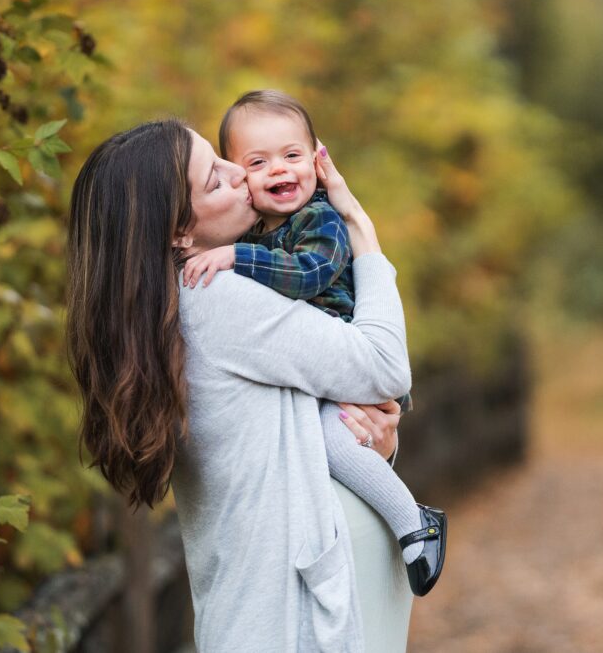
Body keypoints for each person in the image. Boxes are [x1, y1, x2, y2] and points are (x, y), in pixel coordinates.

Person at [65, 119, 435, 651]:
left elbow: (284, 453)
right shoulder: (214, 300)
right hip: (293, 624)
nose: (240, 173)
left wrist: (375, 439)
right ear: (178, 234)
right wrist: (362, 233)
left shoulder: (179, 312)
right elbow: (385, 365)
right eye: (215, 179)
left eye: (220, 159)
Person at [181, 90, 446, 596]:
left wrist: (238, 256)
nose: (278, 169)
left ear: (317, 162)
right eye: (254, 162)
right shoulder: (241, 256)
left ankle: (416, 525)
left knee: (332, 438)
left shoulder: (317, 220)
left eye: (292, 155)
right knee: (329, 440)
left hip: (345, 358)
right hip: (329, 378)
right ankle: (414, 523)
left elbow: (310, 273)